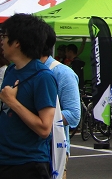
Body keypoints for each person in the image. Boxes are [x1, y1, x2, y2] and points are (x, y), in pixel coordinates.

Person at [0, 13, 58, 178]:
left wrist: (12, 101)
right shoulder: (11, 70)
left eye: (4, 36)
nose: (1, 41)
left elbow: (44, 128)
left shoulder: (43, 77)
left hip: (28, 164)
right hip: (5, 159)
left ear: (17, 42)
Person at [40, 24, 81, 179]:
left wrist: (39, 118)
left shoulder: (62, 73)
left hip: (53, 149)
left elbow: (73, 115)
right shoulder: (17, 69)